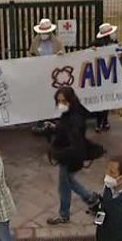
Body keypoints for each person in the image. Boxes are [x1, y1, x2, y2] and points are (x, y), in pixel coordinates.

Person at [47, 86, 99, 225]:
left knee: (65, 184)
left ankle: (85, 202)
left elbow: (74, 139)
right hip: (68, 154)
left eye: (64, 101)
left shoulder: (75, 118)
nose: (61, 105)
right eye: (59, 101)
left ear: (70, 100)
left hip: (69, 156)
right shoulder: (71, 113)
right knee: (67, 182)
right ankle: (90, 199)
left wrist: (58, 153)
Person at [91, 23, 119, 133]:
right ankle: (98, 121)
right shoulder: (96, 45)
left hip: (110, 75)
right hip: (99, 75)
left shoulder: (114, 43)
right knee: (99, 99)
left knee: (107, 98)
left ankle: (105, 120)